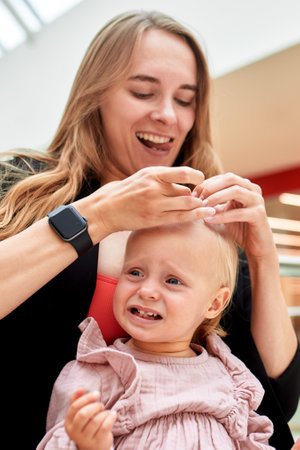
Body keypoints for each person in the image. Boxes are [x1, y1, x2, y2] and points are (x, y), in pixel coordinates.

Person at [0, 10, 299, 449]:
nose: (166, 115)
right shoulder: (19, 184)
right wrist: (99, 215)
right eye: (143, 92)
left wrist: (262, 254)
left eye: (185, 99)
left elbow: (277, 401)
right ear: (96, 94)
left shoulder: (206, 224)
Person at [37, 221, 274, 449]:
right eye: (135, 272)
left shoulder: (229, 375)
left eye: (172, 281)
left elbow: (249, 442)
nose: (147, 290)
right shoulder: (96, 374)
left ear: (213, 303)